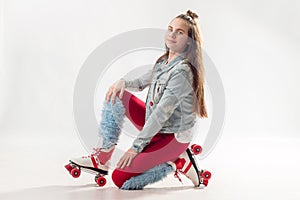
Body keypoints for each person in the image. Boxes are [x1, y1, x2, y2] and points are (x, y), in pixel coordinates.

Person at [69, 10, 209, 190]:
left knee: (120, 179)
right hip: (158, 128)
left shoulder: (182, 72)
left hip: (173, 138)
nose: (172, 34)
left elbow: (160, 114)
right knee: (118, 95)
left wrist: (135, 148)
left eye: (179, 32)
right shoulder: (164, 62)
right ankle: (101, 160)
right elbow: (142, 81)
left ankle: (179, 161)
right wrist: (123, 82)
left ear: (190, 42)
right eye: (170, 29)